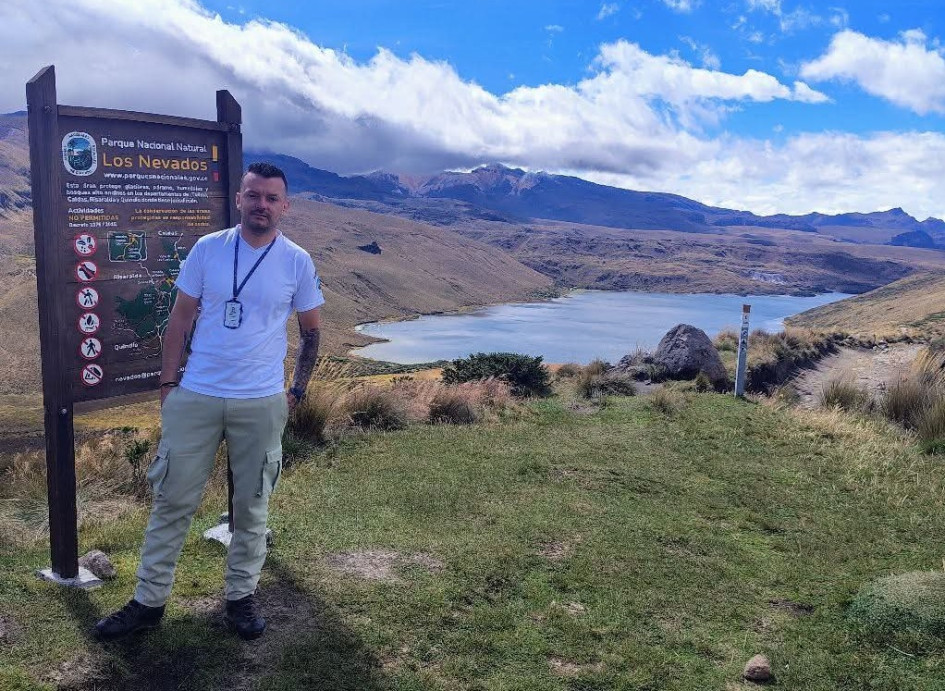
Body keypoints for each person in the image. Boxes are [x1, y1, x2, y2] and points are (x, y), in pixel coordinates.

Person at [95, 162, 324, 641]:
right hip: (196, 395)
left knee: (252, 505)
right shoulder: (208, 249)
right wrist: (167, 385)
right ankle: (148, 601)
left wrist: (296, 392)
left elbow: (312, 332)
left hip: (260, 401)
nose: (261, 205)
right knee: (171, 501)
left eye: (271, 198)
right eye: (253, 195)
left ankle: (241, 598)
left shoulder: (297, 261)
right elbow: (179, 319)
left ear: (286, 206)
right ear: (239, 198)